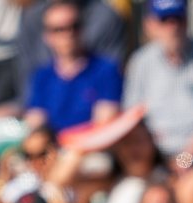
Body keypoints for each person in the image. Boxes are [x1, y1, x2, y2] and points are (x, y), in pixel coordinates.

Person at [124, 0, 193, 160]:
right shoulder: (141, 61)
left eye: (178, 19)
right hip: (154, 157)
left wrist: (184, 160)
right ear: (149, 25)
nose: (173, 27)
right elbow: (132, 116)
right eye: (164, 20)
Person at [24, 0, 123, 133]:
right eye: (59, 29)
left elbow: (104, 124)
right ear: (47, 36)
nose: (68, 34)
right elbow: (35, 122)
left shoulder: (106, 70)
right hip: (53, 148)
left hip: (90, 147)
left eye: (74, 26)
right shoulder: (42, 76)